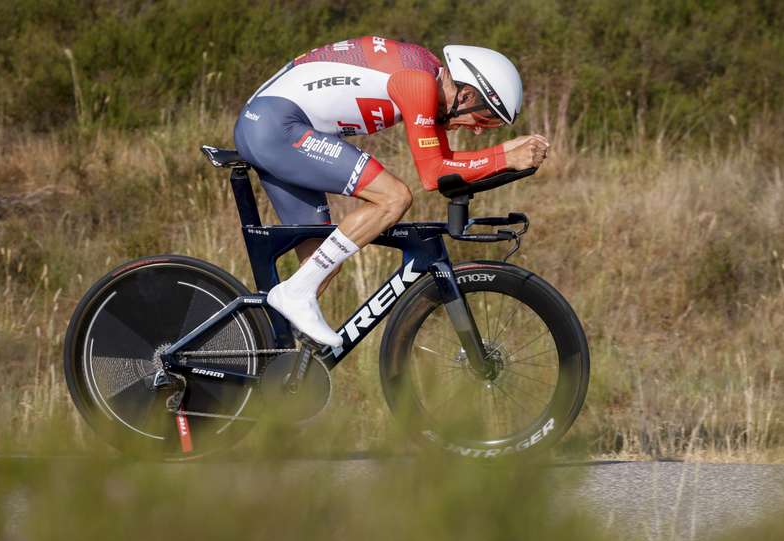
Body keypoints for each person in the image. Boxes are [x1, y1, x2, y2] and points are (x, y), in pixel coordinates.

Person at [234, 36, 549, 347]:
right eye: (486, 117)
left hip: (268, 123)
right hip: (277, 127)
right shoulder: (418, 83)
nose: (480, 129)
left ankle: (265, 362)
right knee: (394, 197)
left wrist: (503, 158)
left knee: (322, 262)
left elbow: (447, 164)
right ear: (465, 95)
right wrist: (504, 157)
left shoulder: (429, 75)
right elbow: (433, 174)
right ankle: (292, 297)